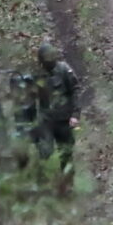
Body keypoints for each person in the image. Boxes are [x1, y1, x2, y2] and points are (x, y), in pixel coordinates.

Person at [29, 43, 80, 182]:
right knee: (45, 151)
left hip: (64, 119)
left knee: (66, 153)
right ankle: (43, 182)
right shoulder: (37, 74)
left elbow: (75, 90)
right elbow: (31, 99)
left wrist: (75, 115)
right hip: (47, 120)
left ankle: (68, 185)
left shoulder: (64, 70)